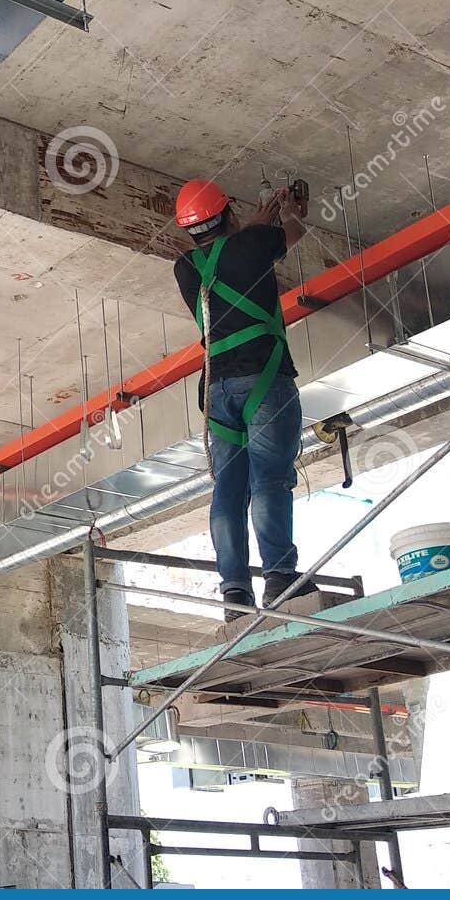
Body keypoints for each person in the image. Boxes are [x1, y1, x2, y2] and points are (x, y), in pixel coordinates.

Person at [173, 178, 309, 612]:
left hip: (217, 393)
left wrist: (260, 218)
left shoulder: (186, 268)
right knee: (269, 478)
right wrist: (290, 212)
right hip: (264, 381)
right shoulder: (253, 244)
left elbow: (234, 248)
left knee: (228, 490)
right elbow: (293, 234)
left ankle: (234, 590)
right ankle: (280, 578)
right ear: (228, 212)